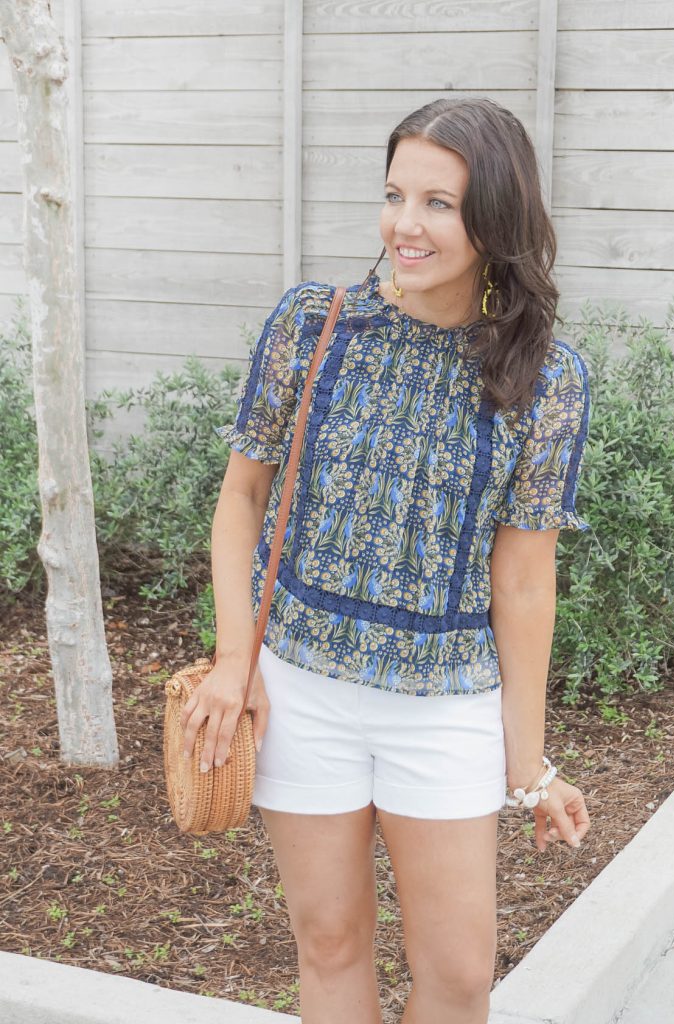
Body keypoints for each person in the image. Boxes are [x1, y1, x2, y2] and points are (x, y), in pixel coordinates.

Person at [181, 96, 592, 1024]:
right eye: (394, 194)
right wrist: (234, 657)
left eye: (438, 203)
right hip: (303, 694)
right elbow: (240, 498)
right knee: (327, 947)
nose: (405, 225)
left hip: (444, 710)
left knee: (457, 980)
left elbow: (524, 581)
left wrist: (524, 765)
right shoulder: (314, 324)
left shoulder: (545, 376)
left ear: (495, 218)